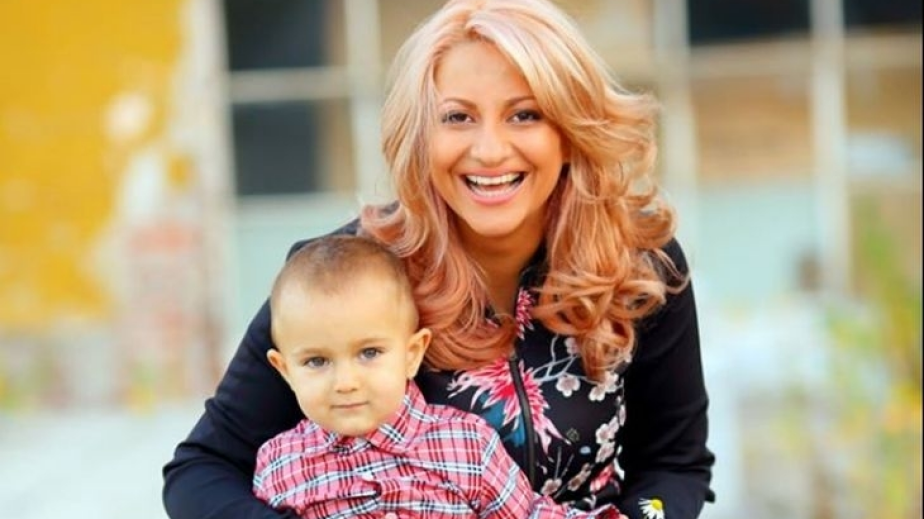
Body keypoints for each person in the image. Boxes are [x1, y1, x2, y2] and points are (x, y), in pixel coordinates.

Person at [163, 0, 716, 518]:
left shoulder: (640, 267)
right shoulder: (350, 273)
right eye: (457, 117)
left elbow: (673, 466)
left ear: (569, 132)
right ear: (420, 134)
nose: (490, 150)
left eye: (525, 115)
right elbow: (202, 470)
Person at [254, 234, 625, 518]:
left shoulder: (465, 445)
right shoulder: (280, 465)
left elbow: (528, 515)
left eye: (369, 353)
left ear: (412, 354)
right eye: (317, 361)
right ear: (284, 370)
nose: (345, 382)